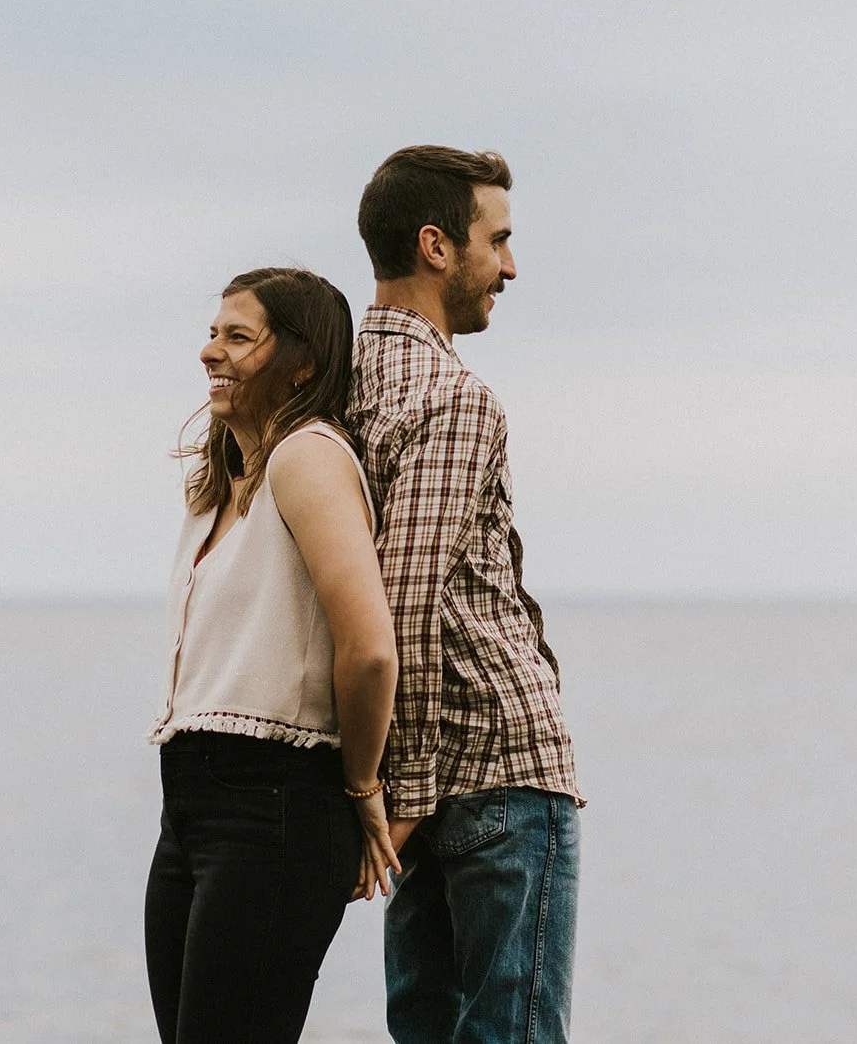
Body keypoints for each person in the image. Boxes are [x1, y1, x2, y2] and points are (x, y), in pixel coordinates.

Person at [348, 146, 585, 1043]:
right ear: (437, 246)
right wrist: (396, 798)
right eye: (501, 240)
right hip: (494, 766)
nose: (511, 268)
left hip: (417, 770)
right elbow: (401, 598)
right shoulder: (452, 394)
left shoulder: (332, 389)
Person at [144, 267, 401, 1044]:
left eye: (236, 337)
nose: (208, 352)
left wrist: (360, 784)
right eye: (212, 332)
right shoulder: (217, 483)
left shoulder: (309, 457)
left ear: (303, 362)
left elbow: (370, 651)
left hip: (277, 804)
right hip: (191, 805)